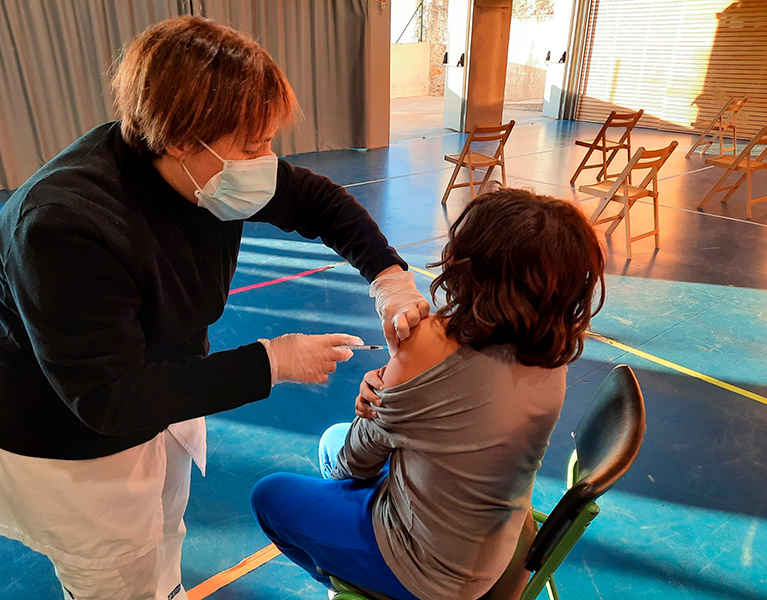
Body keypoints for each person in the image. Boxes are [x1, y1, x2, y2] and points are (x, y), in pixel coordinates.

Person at [0, 16, 429, 600]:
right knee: (112, 572)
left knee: (162, 529)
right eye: (253, 145)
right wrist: (272, 362)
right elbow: (109, 398)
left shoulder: (205, 173)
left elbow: (318, 202)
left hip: (163, 385)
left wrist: (388, 275)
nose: (267, 161)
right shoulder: (65, 224)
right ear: (183, 138)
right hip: (66, 434)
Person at [250, 187, 606, 600]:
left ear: (470, 266)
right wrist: (398, 387)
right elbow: (452, 411)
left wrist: (386, 393)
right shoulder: (551, 349)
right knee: (333, 441)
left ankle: (363, 585)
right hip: (501, 541)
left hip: (433, 572)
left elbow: (354, 463)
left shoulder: (431, 343)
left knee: (273, 493)